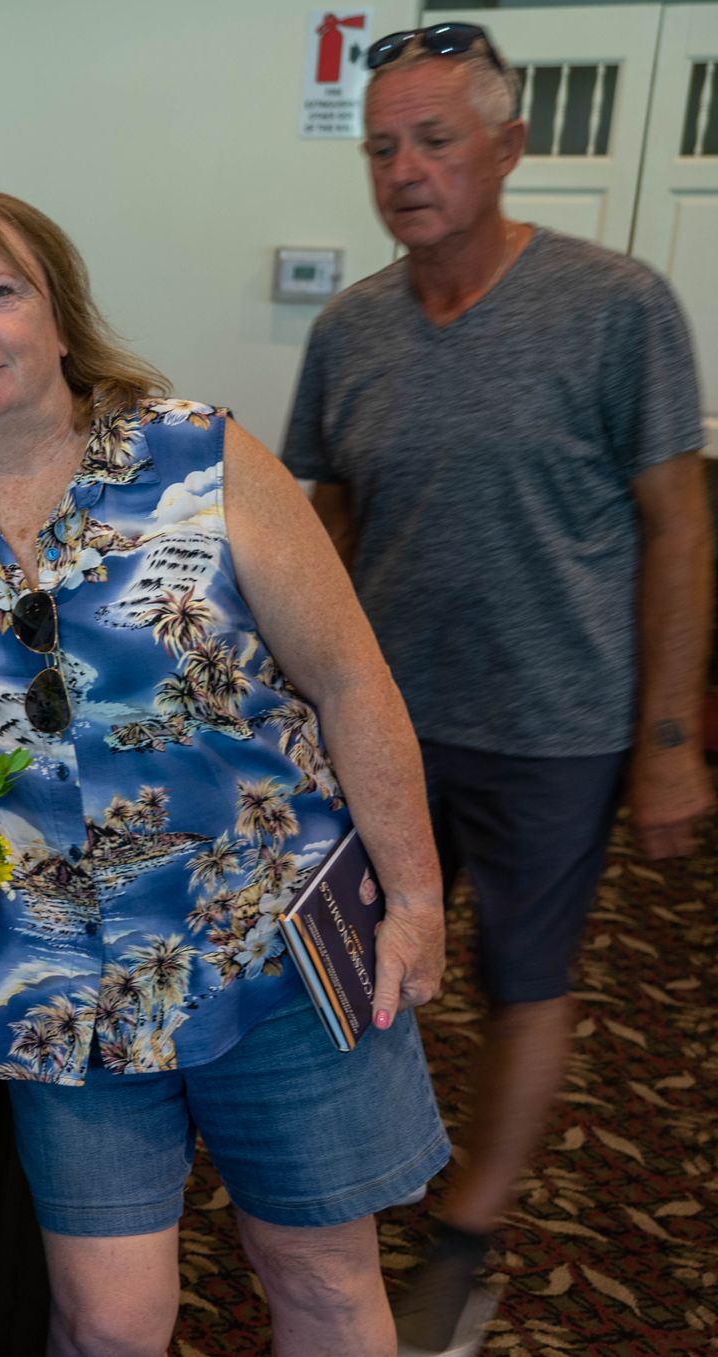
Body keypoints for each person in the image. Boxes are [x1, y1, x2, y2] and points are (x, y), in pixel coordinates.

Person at [0, 188, 449, 1356]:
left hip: (270, 933)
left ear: (59, 319)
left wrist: (412, 897)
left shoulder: (201, 457)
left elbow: (353, 680)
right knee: (110, 1319)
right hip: (56, 970)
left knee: (314, 1271)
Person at [281, 23, 712, 1353]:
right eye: (383, 148)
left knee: (527, 980)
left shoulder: (618, 304)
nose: (405, 171)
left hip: (554, 730)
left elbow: (680, 529)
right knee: (356, 967)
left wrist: (669, 743)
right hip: (384, 727)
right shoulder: (351, 328)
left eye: (436, 141)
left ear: (510, 148)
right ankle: (353, 1183)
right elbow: (326, 531)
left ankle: (467, 1237)